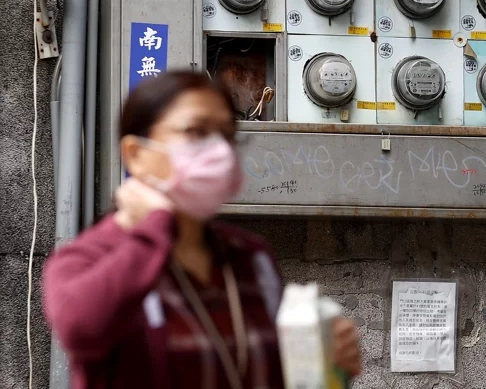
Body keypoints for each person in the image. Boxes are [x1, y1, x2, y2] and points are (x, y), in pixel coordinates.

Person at [42, 71, 362, 389]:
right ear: (137, 155)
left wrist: (326, 364)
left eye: (226, 134)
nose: (219, 151)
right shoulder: (89, 257)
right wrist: (153, 227)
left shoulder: (250, 257)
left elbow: (278, 373)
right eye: (196, 132)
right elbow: (79, 326)